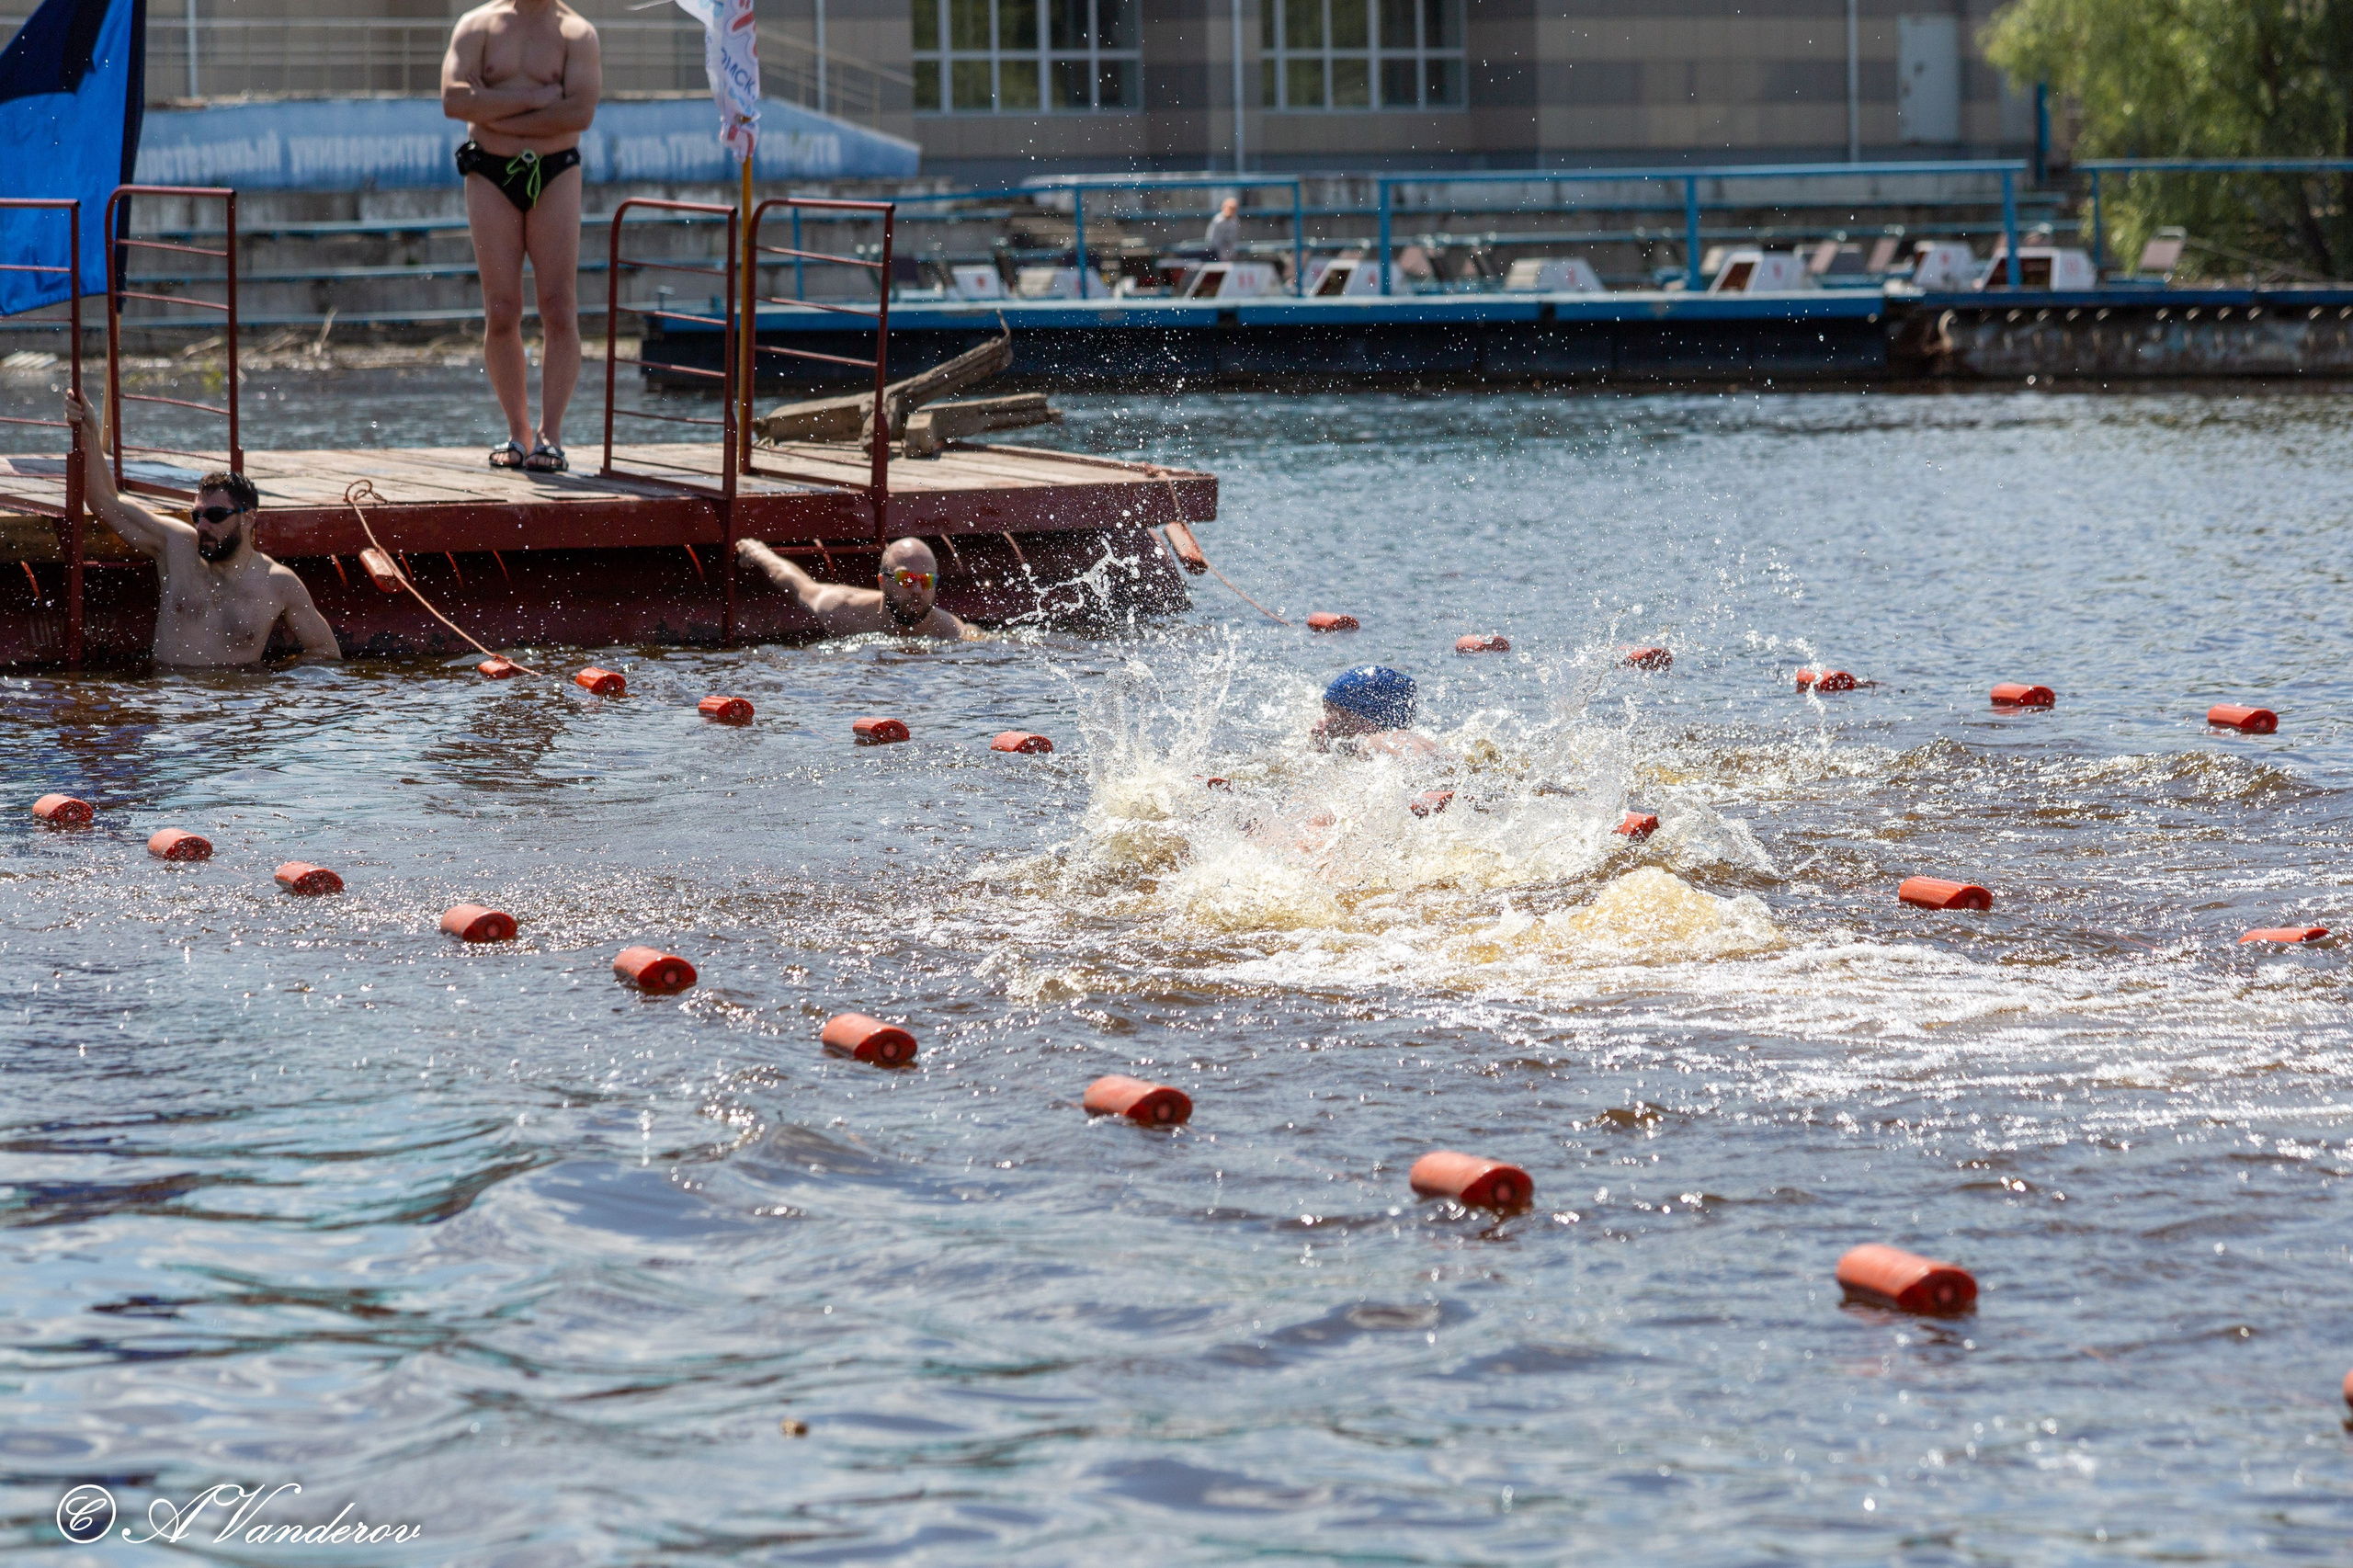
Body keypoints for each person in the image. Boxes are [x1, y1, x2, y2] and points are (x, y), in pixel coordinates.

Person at [61, 391, 340, 667]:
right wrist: (89, 430)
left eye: (216, 515)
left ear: (248, 518)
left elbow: (326, 652)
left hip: (236, 708)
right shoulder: (176, 546)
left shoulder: (279, 584)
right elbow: (105, 501)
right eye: (197, 515)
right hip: (172, 702)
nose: (202, 525)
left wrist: (269, 678)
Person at [441, 0, 602, 474]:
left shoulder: (577, 33)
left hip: (554, 171)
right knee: (502, 307)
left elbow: (578, 113)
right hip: (489, 173)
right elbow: (453, 101)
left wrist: (491, 111)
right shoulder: (477, 25)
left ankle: (550, 435)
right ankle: (518, 431)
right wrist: (535, 99)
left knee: (558, 303)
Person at [734, 536, 980, 641]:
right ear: (882, 582)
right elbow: (800, 587)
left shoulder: (951, 632)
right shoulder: (844, 609)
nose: (917, 589)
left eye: (926, 580)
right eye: (906, 579)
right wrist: (758, 553)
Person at [1313, 665, 1438, 757]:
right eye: (1326, 712)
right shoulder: (1428, 744)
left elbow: (1414, 762)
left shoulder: (1378, 741)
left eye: (1337, 714)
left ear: (1368, 720)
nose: (1320, 723)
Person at [1205, 196, 1242, 263]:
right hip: (1217, 253)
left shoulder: (1235, 220)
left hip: (1229, 253)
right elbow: (1212, 239)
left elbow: (1233, 239)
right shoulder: (1218, 221)